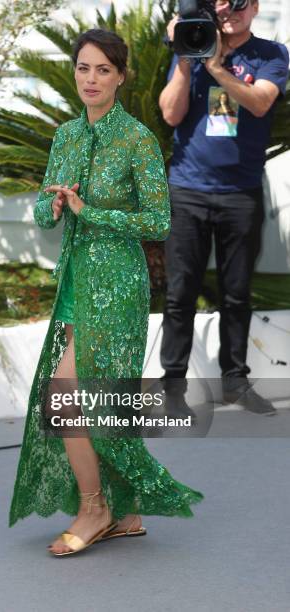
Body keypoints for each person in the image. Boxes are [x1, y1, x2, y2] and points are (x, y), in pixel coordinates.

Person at [9, 28, 204, 556]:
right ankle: (127, 512)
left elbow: (159, 221)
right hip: (75, 282)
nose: (90, 79)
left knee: (66, 395)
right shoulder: (66, 136)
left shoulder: (137, 139)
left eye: (102, 70)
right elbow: (44, 212)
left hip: (118, 285)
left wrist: (87, 211)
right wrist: (48, 208)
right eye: (82, 68)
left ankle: (94, 508)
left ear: (120, 76)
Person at [159, 0, 289, 415]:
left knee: (237, 294)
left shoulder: (270, 54)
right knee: (180, 294)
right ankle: (173, 388)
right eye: (221, 1)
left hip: (240, 192)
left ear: (254, 8)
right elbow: (170, 113)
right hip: (187, 191)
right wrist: (185, 56)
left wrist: (217, 69)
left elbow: (259, 102)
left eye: (240, 2)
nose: (229, 9)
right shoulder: (193, 45)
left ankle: (235, 380)